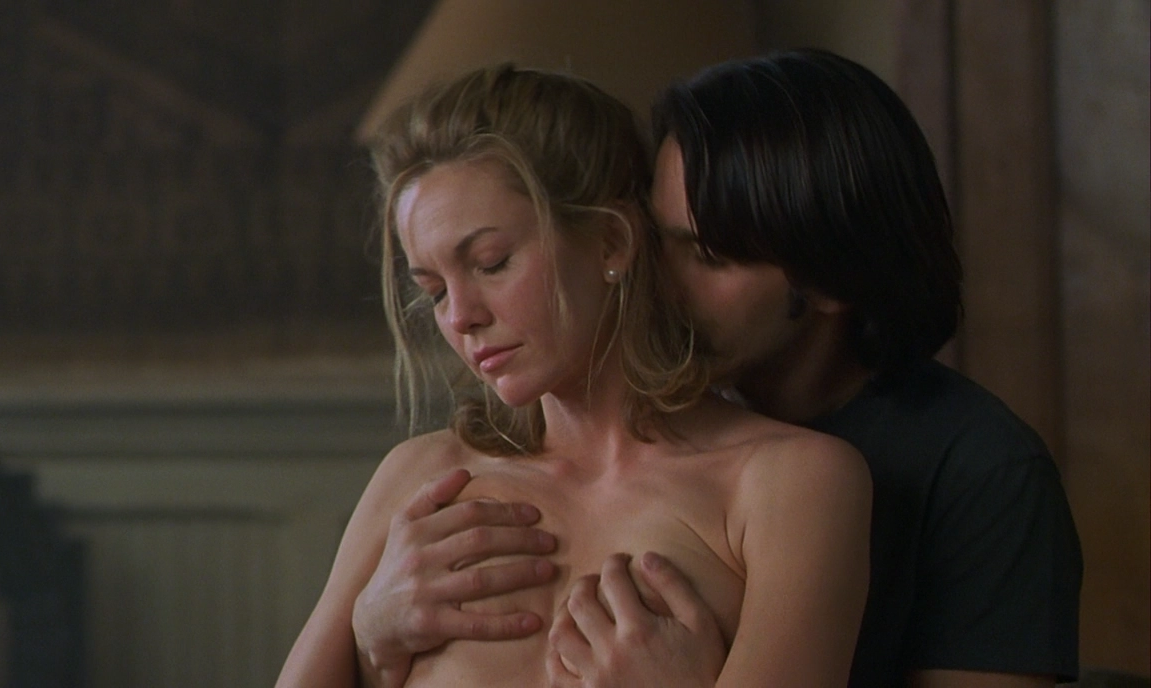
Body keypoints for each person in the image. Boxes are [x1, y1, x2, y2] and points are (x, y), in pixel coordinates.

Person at [347, 50, 1084, 688]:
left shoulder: (972, 469)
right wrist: (370, 637)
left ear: (829, 281)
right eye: (656, 233)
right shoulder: (471, 459)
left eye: (705, 255)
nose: (651, 272)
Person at [273, 63, 873, 688]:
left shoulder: (790, 483)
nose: (460, 317)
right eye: (434, 290)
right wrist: (370, 638)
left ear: (611, 241)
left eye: (491, 263)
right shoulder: (421, 477)